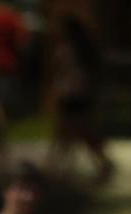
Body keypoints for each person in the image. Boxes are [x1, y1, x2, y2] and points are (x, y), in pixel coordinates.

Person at [48, 14, 114, 181]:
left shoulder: (68, 48)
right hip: (80, 93)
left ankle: (59, 165)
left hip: (71, 93)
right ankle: (60, 165)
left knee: (71, 129)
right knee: (78, 129)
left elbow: (58, 70)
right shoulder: (83, 48)